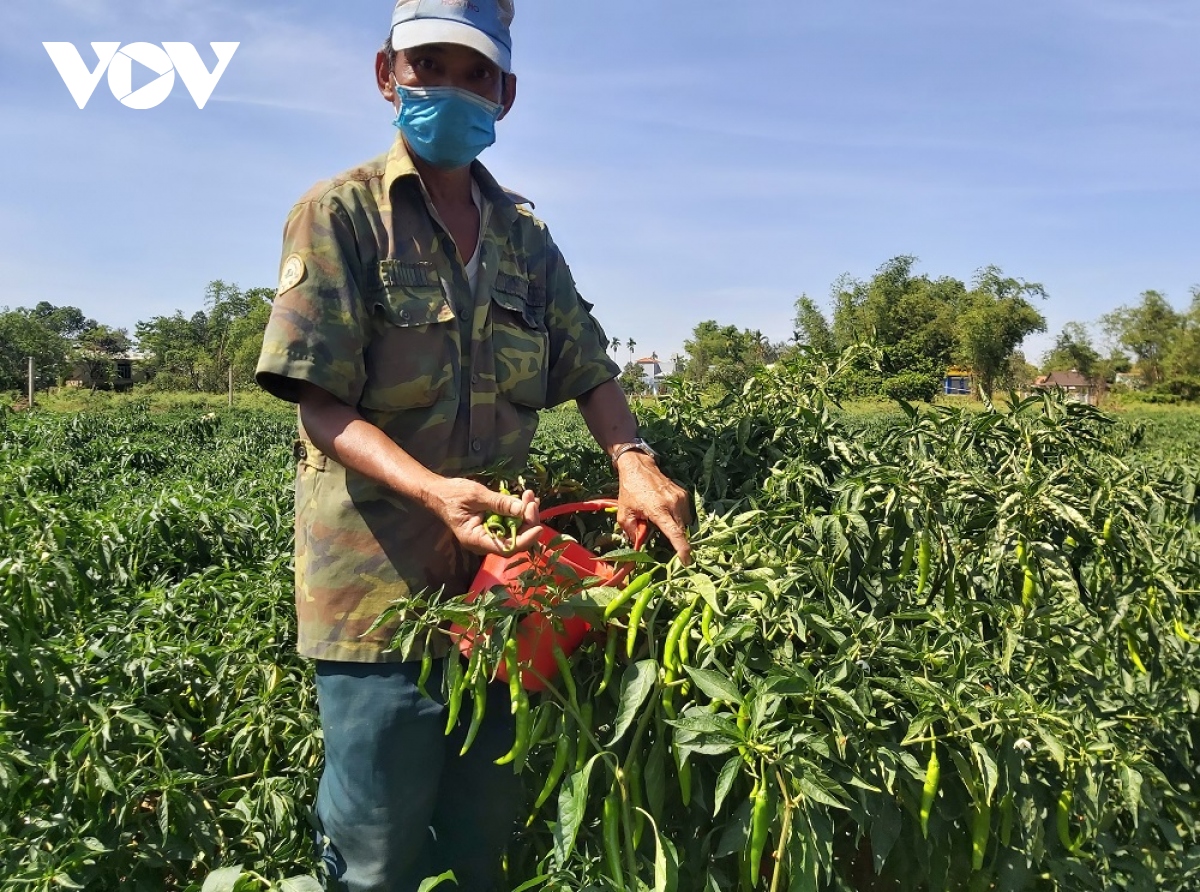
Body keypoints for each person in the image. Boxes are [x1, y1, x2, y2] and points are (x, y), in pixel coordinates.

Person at [254, 2, 693, 890]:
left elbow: (590, 370)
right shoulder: (340, 215)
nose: (451, 89)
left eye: (474, 73)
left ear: (507, 93)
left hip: (505, 597)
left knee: (485, 839)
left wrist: (634, 462)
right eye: (428, 67)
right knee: (374, 853)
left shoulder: (527, 238)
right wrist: (434, 492)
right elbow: (319, 406)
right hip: (375, 598)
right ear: (388, 76)